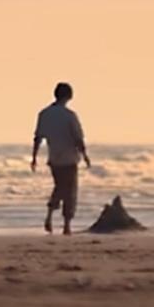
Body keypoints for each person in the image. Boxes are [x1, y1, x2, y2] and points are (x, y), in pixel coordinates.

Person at [30, 81, 90, 235]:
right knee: (70, 191)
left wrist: (34, 157)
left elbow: (38, 137)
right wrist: (85, 155)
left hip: (54, 158)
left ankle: (50, 215)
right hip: (69, 158)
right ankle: (66, 225)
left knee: (59, 187)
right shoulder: (70, 116)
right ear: (69, 96)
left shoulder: (44, 114)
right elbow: (78, 138)